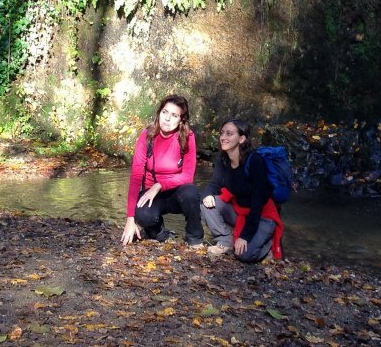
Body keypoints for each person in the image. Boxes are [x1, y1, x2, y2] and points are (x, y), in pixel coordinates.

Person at [121, 94, 203, 248]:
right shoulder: (147, 136)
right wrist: (130, 219)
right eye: (165, 112)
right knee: (143, 214)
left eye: (174, 115)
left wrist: (159, 185)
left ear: (181, 120)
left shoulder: (188, 137)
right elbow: (136, 176)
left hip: (176, 193)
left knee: (191, 192)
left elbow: (187, 176)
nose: (167, 119)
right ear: (159, 113)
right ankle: (160, 235)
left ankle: (195, 239)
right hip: (152, 196)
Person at [201, 118, 284, 262]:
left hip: (262, 217)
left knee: (244, 255)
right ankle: (225, 240)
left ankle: (268, 247)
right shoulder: (223, 159)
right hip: (239, 211)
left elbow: (257, 204)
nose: (223, 138)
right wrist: (207, 194)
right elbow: (214, 184)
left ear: (241, 138)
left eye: (229, 134)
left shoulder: (255, 161)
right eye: (222, 134)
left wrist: (245, 236)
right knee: (205, 204)